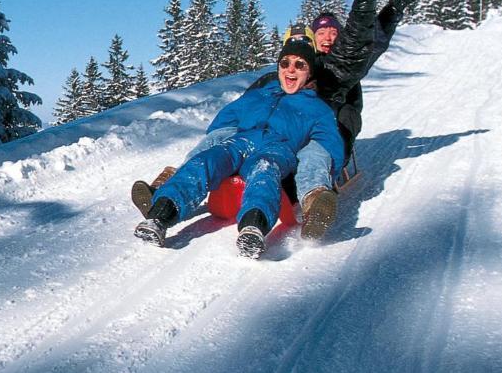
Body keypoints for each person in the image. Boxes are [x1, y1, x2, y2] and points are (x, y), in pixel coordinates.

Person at [132, 0, 426, 240]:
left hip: (318, 130)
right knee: (215, 142)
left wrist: (380, 4)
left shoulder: (333, 73)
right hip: (263, 134)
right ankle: (167, 189)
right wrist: (228, 129)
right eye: (320, 33)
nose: (328, 37)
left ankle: (313, 200)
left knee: (311, 155)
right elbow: (247, 105)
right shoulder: (275, 79)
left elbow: (361, 43)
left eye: (334, 32)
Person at [134, 32, 345, 258]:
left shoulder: (317, 108)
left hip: (278, 148)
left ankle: (253, 227)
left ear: (309, 72)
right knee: (205, 161)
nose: (290, 69)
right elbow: (228, 117)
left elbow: (327, 142)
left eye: (299, 65)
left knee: (264, 171)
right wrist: (217, 138)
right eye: (285, 63)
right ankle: (159, 216)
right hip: (241, 141)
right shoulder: (260, 95)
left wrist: (328, 174)